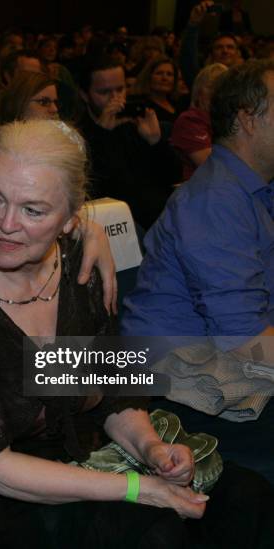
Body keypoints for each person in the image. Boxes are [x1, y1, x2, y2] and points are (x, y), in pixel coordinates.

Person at [0, 118, 274, 548]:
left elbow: (112, 387)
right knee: (154, 532)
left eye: (33, 210)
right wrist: (140, 489)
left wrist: (151, 450)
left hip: (94, 452)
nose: (5, 224)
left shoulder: (79, 270)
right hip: (25, 489)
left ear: (70, 219)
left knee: (245, 496)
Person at [122, 60, 274, 484]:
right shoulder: (217, 199)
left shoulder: (256, 189)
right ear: (248, 119)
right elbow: (244, 341)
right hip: (176, 380)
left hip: (225, 360)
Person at [76, 55, 182, 229]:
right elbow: (96, 189)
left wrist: (156, 142)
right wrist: (102, 133)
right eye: (104, 92)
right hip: (116, 226)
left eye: (120, 89)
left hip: (159, 221)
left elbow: (173, 175)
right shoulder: (78, 135)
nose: (115, 99)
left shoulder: (135, 123)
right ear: (84, 94)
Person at [170, 63, 227, 180]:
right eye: (212, 87)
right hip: (201, 190)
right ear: (199, 92)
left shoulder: (231, 120)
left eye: (224, 88)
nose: (218, 94)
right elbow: (212, 168)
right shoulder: (190, 121)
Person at [0, 71, 59, 136]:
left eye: (55, 102)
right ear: (18, 104)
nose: (55, 109)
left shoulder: (62, 132)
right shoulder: (7, 144)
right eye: (43, 102)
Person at [133, 56, 182, 125]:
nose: (165, 78)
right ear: (148, 77)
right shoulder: (142, 106)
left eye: (169, 74)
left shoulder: (179, 104)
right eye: (159, 73)